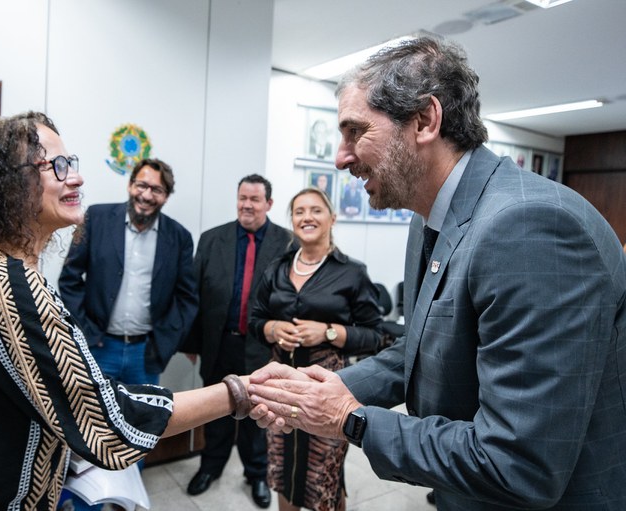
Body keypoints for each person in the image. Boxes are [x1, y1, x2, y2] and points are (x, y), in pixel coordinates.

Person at [248, 37, 626, 511]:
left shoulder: (529, 227)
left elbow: (519, 464)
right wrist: (338, 388)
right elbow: (421, 344)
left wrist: (351, 419)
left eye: (354, 132)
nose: (341, 158)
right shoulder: (428, 218)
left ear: (424, 120)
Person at [0, 111, 256, 510]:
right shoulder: (2, 280)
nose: (75, 177)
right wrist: (238, 392)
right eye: (57, 165)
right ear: (9, 183)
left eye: (70, 163)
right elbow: (110, 424)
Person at [248, 187, 384, 511]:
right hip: (279, 389)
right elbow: (255, 319)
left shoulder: (351, 272)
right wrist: (272, 328)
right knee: (282, 469)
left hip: (328, 391)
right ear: (292, 220)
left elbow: (376, 335)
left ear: (332, 218)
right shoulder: (277, 268)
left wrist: (328, 331)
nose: (307, 217)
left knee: (325, 471)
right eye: (299, 211)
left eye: (316, 210)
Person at [181, 174, 292, 508]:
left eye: (255, 199)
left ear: (268, 204)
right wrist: (191, 342)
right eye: (242, 197)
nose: (247, 204)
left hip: (261, 347)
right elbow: (195, 295)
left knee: (257, 416)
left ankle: (256, 475)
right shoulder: (212, 239)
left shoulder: (288, 243)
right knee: (213, 413)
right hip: (219, 344)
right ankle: (210, 468)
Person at [58, 157, 198, 387]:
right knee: (95, 418)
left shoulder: (179, 237)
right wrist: (87, 332)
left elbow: (187, 298)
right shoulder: (96, 218)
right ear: (130, 185)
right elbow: (69, 278)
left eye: (157, 189)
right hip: (99, 347)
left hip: (145, 355)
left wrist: (165, 342)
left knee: (142, 421)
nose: (146, 195)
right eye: (142, 185)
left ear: (166, 196)